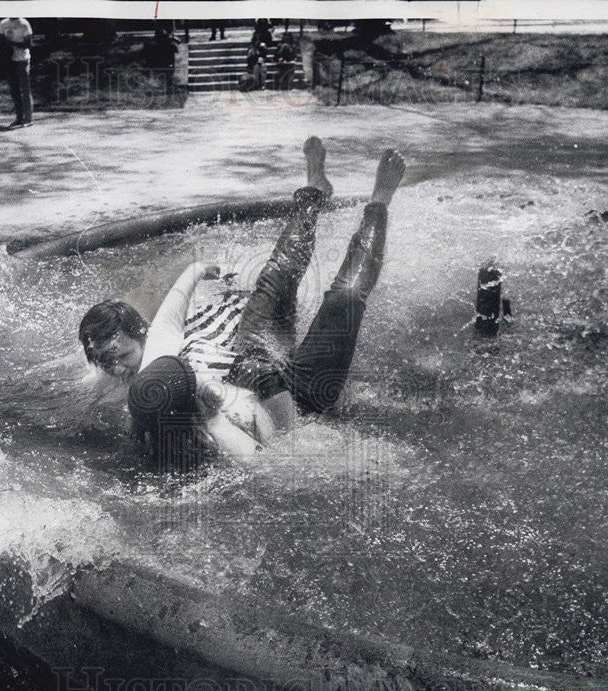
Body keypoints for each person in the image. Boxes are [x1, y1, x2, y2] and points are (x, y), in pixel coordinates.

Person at [127, 138, 406, 471]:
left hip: (255, 358)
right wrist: (217, 418)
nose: (197, 374)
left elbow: (170, 321)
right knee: (345, 297)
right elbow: (279, 460)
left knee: (277, 272)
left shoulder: (151, 389)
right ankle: (380, 201)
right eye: (192, 378)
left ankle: (313, 190)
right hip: (303, 398)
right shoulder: (216, 440)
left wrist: (194, 272)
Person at [0, 16, 34, 126]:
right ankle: (19, 117)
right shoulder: (3, 23)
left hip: (22, 59)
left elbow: (29, 44)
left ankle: (28, 118)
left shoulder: (24, 23)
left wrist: (13, 44)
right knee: (14, 90)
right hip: (9, 60)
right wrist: (3, 44)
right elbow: (0, 40)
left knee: (25, 89)